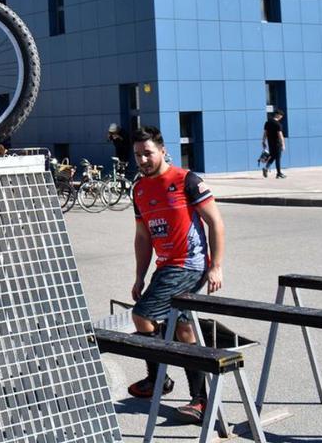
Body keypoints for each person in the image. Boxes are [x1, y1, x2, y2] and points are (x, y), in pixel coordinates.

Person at [127, 126, 226, 425]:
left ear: (163, 150)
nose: (143, 160)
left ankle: (158, 379)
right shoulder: (140, 190)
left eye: (148, 153)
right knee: (184, 330)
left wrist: (216, 265)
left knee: (142, 315)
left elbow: (216, 223)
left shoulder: (186, 180)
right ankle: (199, 399)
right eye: (138, 155)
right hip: (165, 267)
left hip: (189, 265)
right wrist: (139, 276)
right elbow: (143, 238)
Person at [261, 110, 286, 179]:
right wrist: (283, 144)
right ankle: (279, 173)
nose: (281, 117)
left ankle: (266, 168)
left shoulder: (267, 122)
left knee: (273, 156)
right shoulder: (278, 124)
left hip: (270, 143)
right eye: (281, 116)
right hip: (277, 144)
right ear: (278, 115)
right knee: (278, 158)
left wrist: (263, 141)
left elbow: (265, 133)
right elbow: (280, 135)